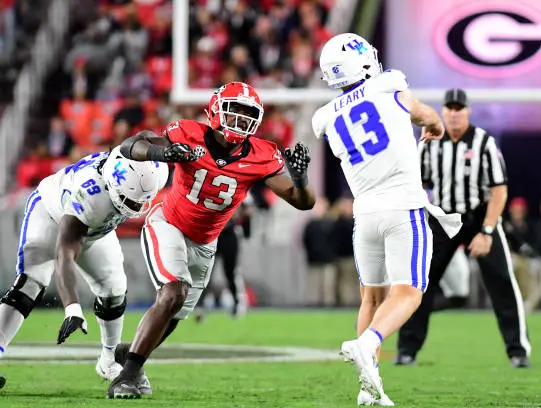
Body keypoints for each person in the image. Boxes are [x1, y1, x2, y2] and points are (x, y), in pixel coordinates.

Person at [106, 81, 316, 399]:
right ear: (216, 111)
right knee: (173, 293)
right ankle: (128, 376)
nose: (242, 121)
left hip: (206, 241)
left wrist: (300, 179)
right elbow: (129, 146)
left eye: (249, 115)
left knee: (175, 315)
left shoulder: (262, 153)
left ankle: (132, 353)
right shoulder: (188, 132)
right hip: (169, 224)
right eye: (236, 112)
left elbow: (303, 202)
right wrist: (162, 152)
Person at [312, 33, 460, 406]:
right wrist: (436, 125)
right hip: (402, 208)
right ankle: (368, 344)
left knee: (371, 298)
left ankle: (368, 388)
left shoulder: (325, 117)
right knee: (409, 292)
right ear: (362, 63)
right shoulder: (388, 83)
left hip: (365, 214)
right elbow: (424, 114)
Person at [0, 148, 168, 390]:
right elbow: (64, 255)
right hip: (51, 215)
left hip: (95, 228)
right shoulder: (89, 196)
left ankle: (109, 360)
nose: (134, 205)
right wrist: (73, 308)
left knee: (114, 290)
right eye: (129, 198)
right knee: (31, 283)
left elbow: (140, 141)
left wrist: (167, 150)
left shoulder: (145, 168)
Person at [395, 88, 532, 369]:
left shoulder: (483, 142)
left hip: (477, 217)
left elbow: (498, 191)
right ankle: (406, 350)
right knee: (419, 283)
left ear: (467, 112)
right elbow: (418, 184)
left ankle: (518, 351)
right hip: (443, 218)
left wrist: (488, 231)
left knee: (502, 283)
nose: (454, 114)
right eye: (450, 109)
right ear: (443, 112)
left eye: (459, 109)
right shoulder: (431, 142)